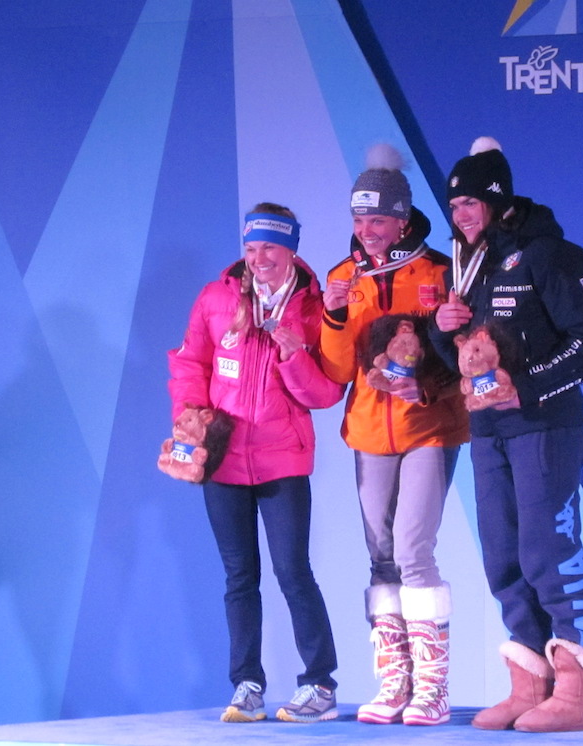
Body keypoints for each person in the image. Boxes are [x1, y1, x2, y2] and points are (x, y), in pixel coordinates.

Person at [431, 137, 583, 733]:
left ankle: (578, 691)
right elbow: (473, 360)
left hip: (544, 426)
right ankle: (531, 683)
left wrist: (526, 386)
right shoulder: (470, 265)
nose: (459, 216)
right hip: (489, 431)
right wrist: (442, 333)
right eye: (452, 207)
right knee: (503, 557)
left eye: (469, 203)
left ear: (497, 198)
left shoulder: (550, 253)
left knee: (548, 551)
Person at [167, 203, 342, 724]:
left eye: (268, 246)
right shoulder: (216, 297)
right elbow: (190, 363)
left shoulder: (313, 307)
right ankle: (247, 685)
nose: (257, 257)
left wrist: (293, 355)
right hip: (222, 462)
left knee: (293, 573)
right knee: (239, 577)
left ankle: (319, 685)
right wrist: (190, 418)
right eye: (250, 247)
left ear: (290, 249)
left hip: (282, 459)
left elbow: (328, 392)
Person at [320, 145, 469, 726]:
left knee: (411, 550)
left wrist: (430, 390)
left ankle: (432, 690)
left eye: (377, 219)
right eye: (358, 220)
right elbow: (336, 372)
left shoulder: (440, 271)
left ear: (403, 219)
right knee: (380, 556)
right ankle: (394, 684)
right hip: (367, 433)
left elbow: (466, 359)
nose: (367, 230)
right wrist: (333, 317)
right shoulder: (342, 278)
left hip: (429, 427)